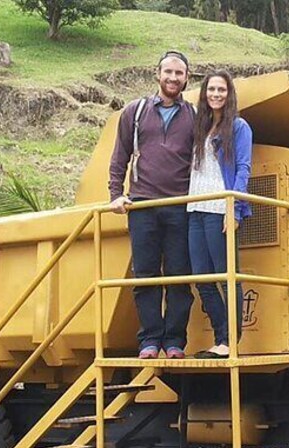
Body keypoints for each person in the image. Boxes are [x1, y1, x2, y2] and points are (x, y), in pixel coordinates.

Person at [108, 51, 195, 359]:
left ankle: (174, 342)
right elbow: (120, 156)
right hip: (142, 204)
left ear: (187, 78)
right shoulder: (136, 110)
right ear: (157, 74)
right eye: (168, 72)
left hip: (181, 205)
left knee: (179, 276)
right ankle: (149, 341)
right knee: (145, 275)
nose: (173, 78)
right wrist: (115, 194)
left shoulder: (194, 116)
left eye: (179, 73)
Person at [187, 70, 253, 359]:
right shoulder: (199, 127)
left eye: (221, 90)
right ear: (204, 94)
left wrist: (233, 208)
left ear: (229, 94)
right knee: (202, 277)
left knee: (227, 276)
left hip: (219, 208)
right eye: (211, 89)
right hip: (195, 208)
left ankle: (229, 340)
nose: (216, 94)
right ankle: (220, 337)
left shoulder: (239, 127)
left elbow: (243, 168)